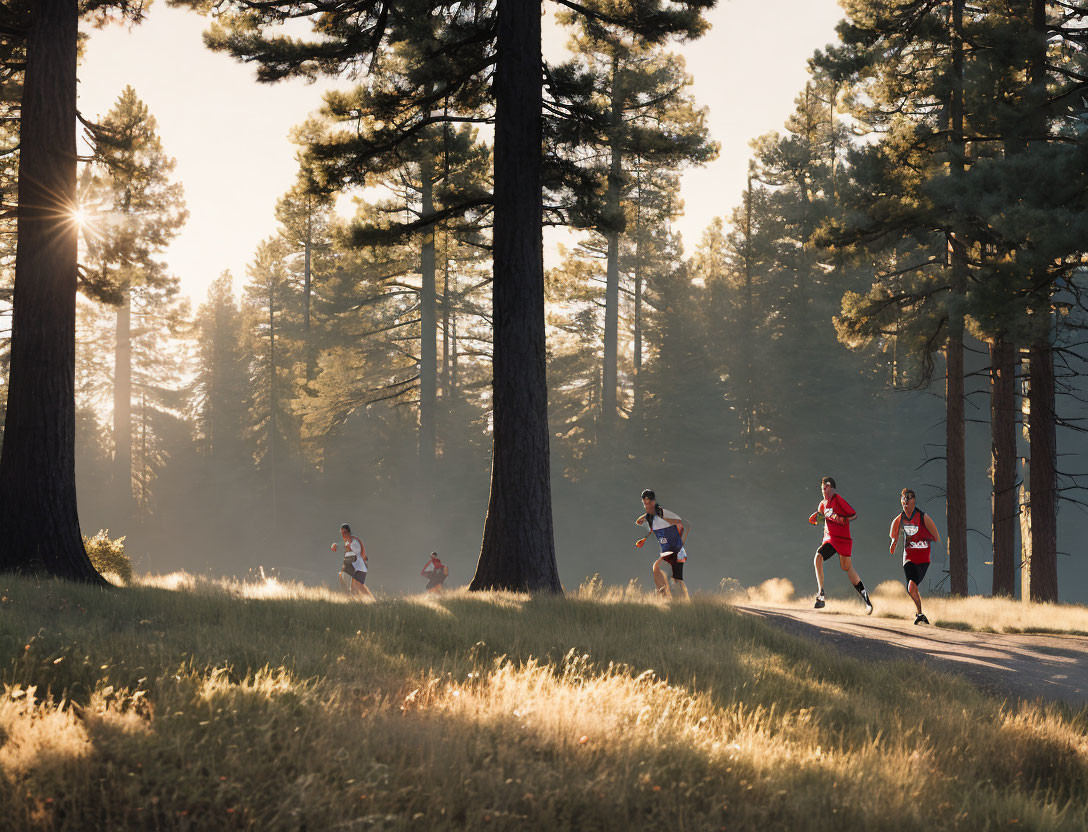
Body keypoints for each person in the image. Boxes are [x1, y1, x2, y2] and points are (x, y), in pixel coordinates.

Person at [809, 476, 872, 614]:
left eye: (825, 487)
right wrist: (815, 519)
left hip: (843, 539)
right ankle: (821, 594)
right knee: (818, 557)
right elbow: (820, 517)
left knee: (847, 568)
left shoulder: (837, 499)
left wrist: (842, 519)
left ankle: (867, 602)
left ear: (831, 487)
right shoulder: (822, 504)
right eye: (822, 488)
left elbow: (853, 515)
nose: (823, 490)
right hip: (830, 539)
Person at [889, 488, 940, 625]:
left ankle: (919, 614)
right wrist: (894, 543)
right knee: (911, 587)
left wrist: (926, 540)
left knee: (913, 587)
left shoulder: (923, 517)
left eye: (909, 498)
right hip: (909, 557)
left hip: (923, 559)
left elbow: (936, 536)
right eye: (904, 498)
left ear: (914, 500)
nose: (906, 501)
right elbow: (893, 533)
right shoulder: (900, 519)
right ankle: (920, 613)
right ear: (901, 500)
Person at [635, 489, 691, 600]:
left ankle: (665, 596)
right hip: (670, 551)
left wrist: (681, 542)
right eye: (644, 503)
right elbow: (639, 521)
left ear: (654, 501)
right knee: (676, 580)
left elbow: (685, 524)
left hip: (675, 551)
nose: (647, 506)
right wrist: (644, 538)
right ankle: (682, 602)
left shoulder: (662, 513)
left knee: (658, 568)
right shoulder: (652, 517)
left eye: (649, 503)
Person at [332, 523, 373, 598]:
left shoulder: (354, 541)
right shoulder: (348, 541)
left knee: (358, 588)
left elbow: (358, 550)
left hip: (360, 567)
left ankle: (370, 601)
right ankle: (363, 601)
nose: (343, 535)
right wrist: (335, 545)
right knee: (356, 587)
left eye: (344, 532)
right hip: (356, 567)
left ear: (348, 532)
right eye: (342, 533)